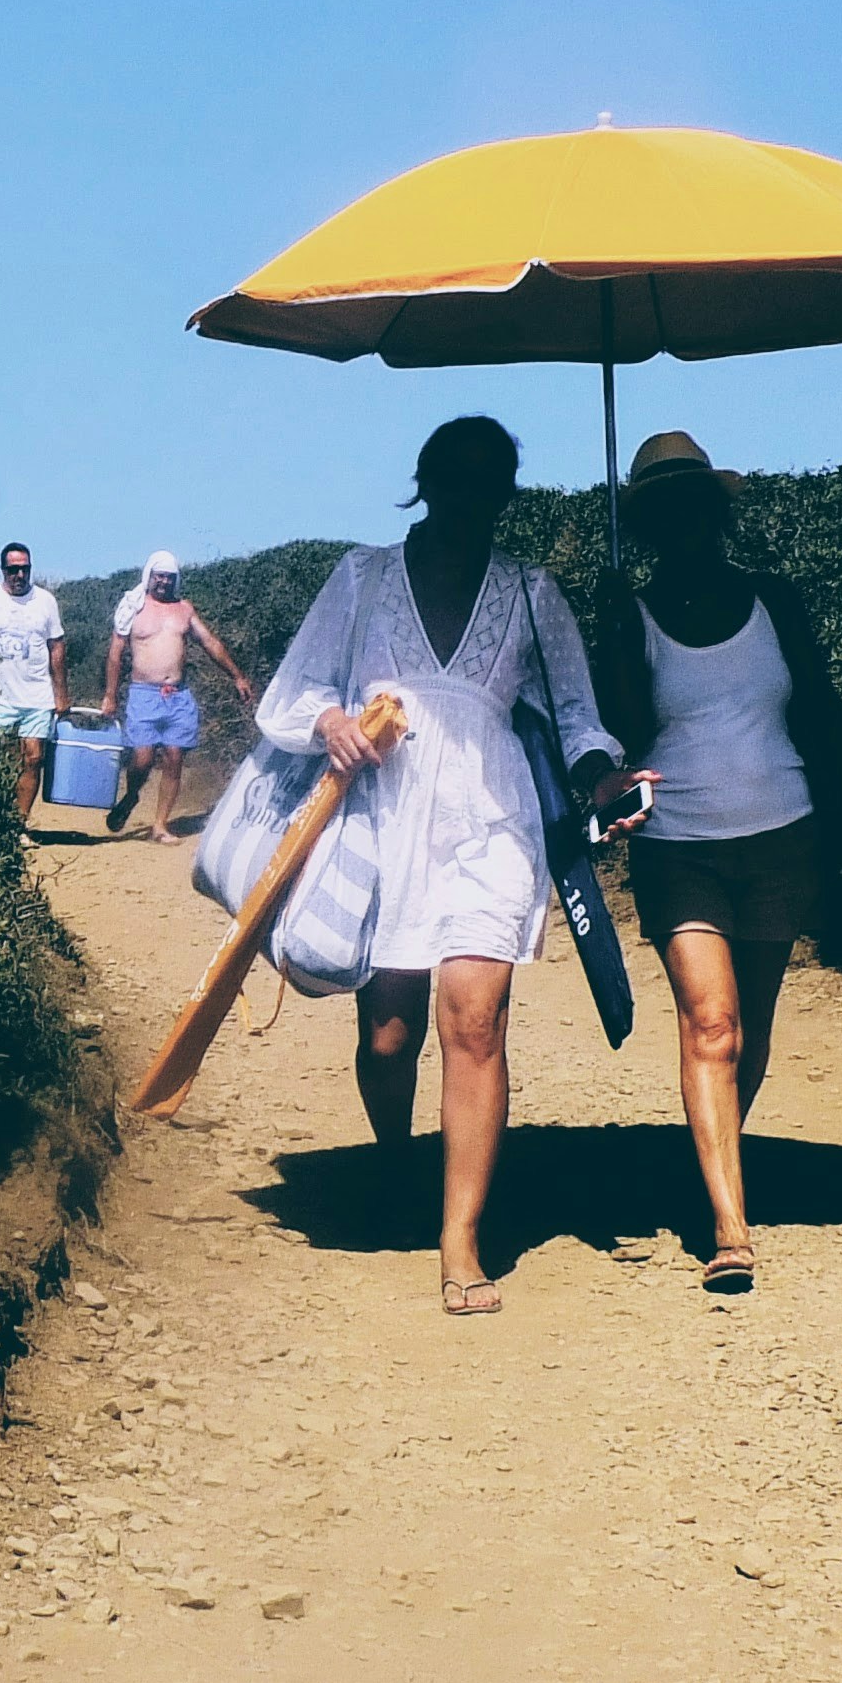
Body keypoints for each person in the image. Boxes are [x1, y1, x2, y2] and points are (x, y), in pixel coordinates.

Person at [258, 417, 648, 1316]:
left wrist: (604, 778)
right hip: (381, 821)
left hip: (491, 825)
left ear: (507, 493)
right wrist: (332, 725)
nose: (473, 497)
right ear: (425, 482)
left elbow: (578, 718)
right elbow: (295, 692)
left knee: (475, 1022)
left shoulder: (532, 592)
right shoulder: (360, 578)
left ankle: (459, 1236)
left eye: (491, 482)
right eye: (457, 478)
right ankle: (398, 1164)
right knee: (389, 1033)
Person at [589, 430, 842, 1295]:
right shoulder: (627, 613)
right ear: (649, 526)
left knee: (753, 1027)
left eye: (694, 505)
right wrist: (611, 629)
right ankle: (729, 1227)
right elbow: (624, 730)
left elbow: (817, 711)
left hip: (787, 835)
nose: (685, 522)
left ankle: (714, 1165)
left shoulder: (776, 601)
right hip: (680, 844)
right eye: (665, 511)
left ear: (715, 512)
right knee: (713, 1024)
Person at [95, 551, 251, 843]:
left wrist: (237, 675)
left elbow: (209, 642)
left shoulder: (184, 610)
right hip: (144, 694)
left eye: (169, 577)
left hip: (178, 696)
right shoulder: (133, 608)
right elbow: (115, 655)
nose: (164, 582)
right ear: (150, 576)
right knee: (141, 760)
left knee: (174, 757)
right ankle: (131, 796)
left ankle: (160, 825)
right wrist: (110, 696)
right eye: (159, 576)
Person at [0, 544, 68, 820]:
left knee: (33, 759)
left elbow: (56, 646)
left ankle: (19, 823)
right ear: (3, 571)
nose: (19, 574)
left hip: (37, 693)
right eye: (13, 569)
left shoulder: (45, 601)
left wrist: (61, 694)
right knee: (2, 759)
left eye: (25, 569)